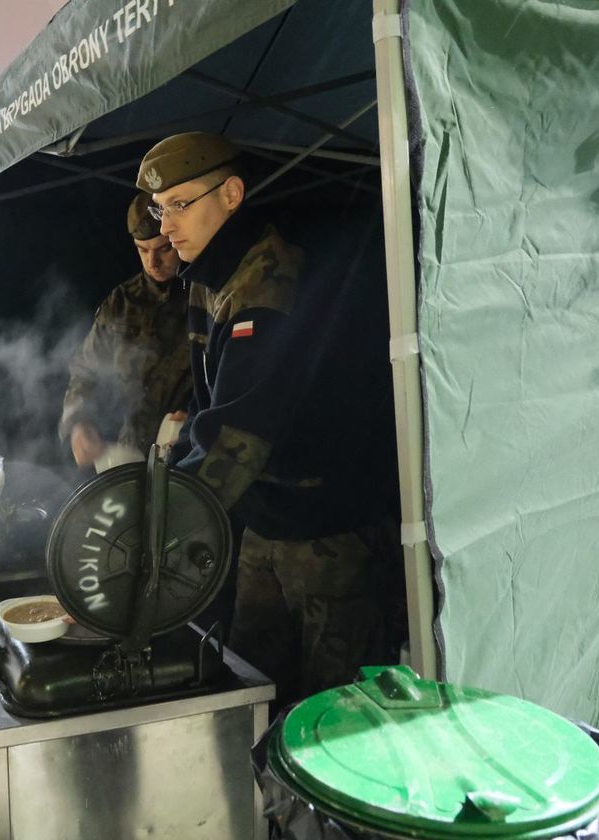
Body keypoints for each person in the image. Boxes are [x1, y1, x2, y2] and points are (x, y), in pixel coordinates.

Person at [137, 133, 401, 707]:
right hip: (266, 522)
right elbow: (211, 410)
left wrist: (160, 531)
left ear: (231, 194)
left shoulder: (268, 274)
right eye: (162, 209)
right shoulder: (210, 274)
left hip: (326, 529)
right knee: (254, 691)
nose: (167, 225)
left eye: (181, 204)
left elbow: (240, 433)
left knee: (340, 713)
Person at [59, 193, 191, 470]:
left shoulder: (205, 294)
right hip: (131, 450)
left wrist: (197, 415)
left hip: (191, 451)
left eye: (163, 249)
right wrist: (77, 421)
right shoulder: (121, 302)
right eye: (143, 250)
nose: (152, 262)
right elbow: (86, 369)